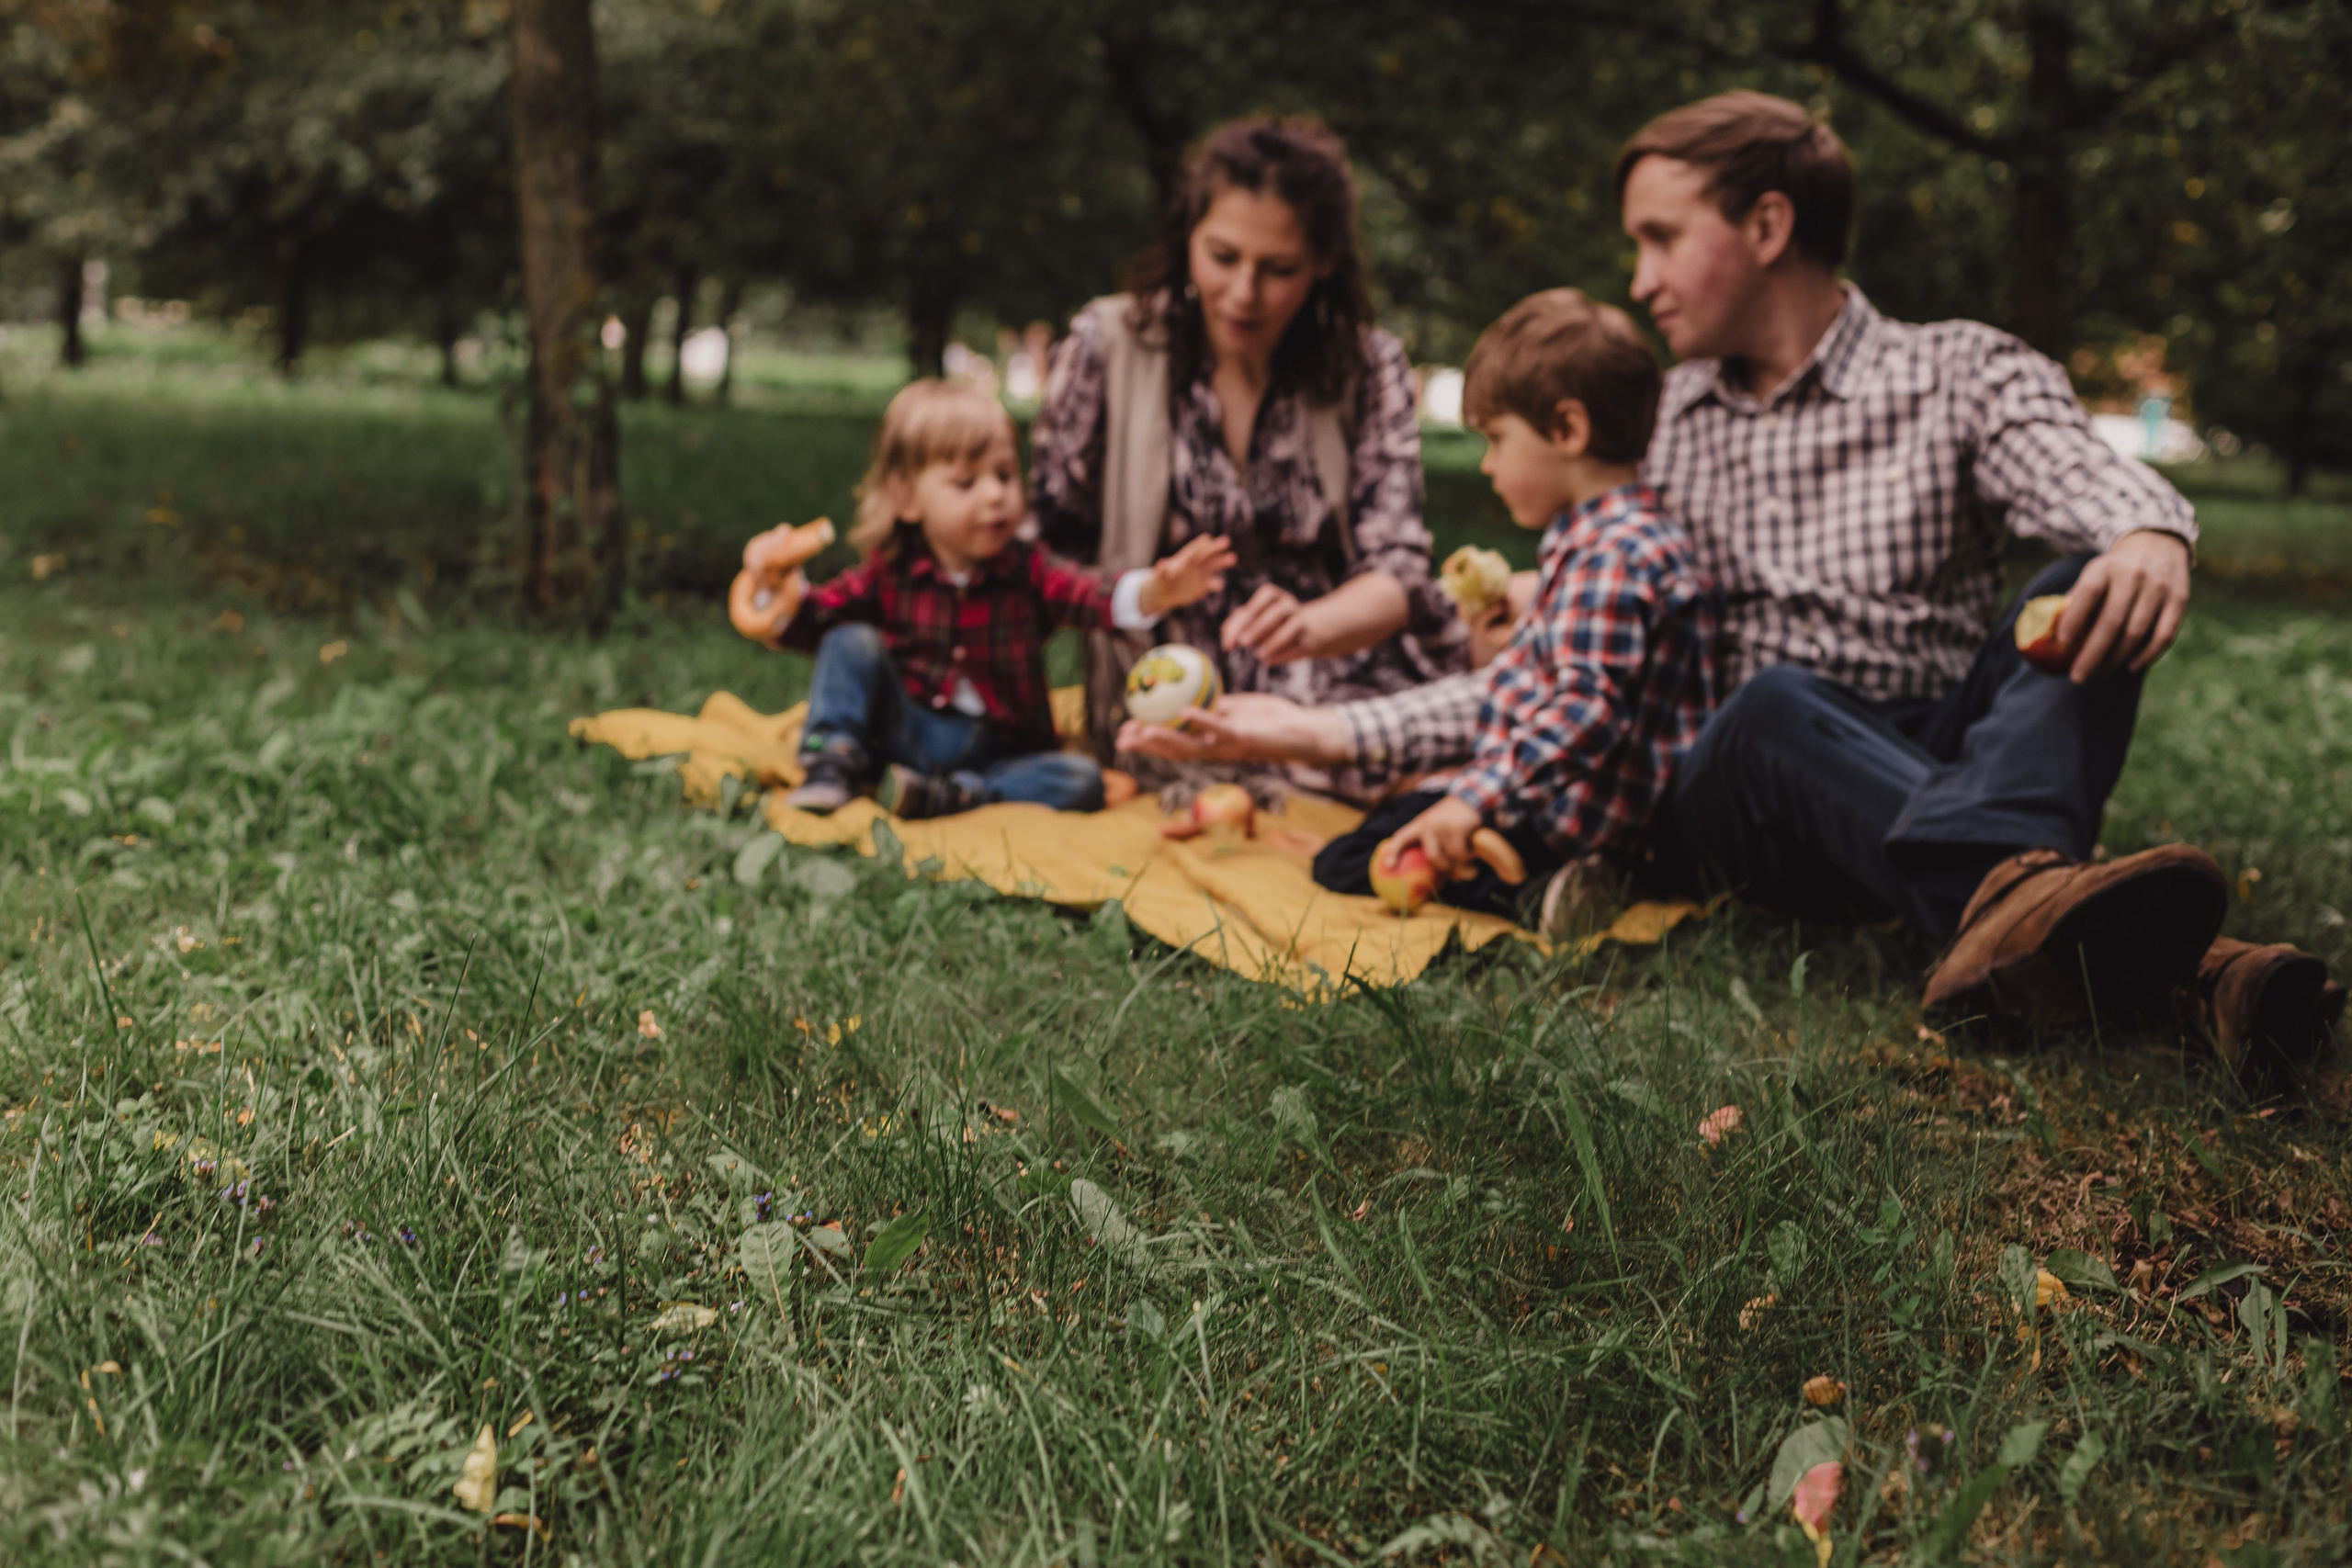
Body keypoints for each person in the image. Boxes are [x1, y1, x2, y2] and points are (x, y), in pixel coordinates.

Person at [1127, 92, 2342, 1073]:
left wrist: (2147, 535)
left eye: (1661, 237)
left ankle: (2116, 948)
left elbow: (2101, 488)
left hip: (1935, 751)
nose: (1641, 280)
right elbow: (1564, 677)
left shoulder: (1958, 374)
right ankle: (2043, 898)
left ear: (1766, 226)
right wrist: (1325, 728)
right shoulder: (1659, 434)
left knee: (2084, 580)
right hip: (1744, 789)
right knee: (1770, 701)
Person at [1028, 117, 1465, 801]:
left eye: (1279, 269)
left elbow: (1398, 572)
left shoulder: (1366, 364)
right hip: (1166, 670)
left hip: (1335, 661)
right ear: (1188, 237)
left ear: (1324, 262)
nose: (1243, 293)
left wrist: (1309, 626)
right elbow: (1046, 546)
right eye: (1223, 256)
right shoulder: (1108, 344)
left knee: (1433, 745)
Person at [1301, 289, 1716, 931]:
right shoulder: (1641, 537)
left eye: (1496, 438)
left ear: (1567, 430)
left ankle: (1533, 892)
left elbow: (1587, 709)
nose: (1488, 465)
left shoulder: (1607, 556)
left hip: (1563, 818)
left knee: (1352, 855)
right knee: (1409, 811)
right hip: (1610, 811)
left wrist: (1471, 800)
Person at [733, 378, 1234, 819]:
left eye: (1004, 475)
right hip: (912, 732)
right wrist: (773, 589)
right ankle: (832, 764)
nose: (995, 495)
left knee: (1080, 779)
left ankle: (956, 796)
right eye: (966, 483)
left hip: (1003, 749)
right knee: (849, 638)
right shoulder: (891, 574)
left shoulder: (1027, 568)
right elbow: (812, 622)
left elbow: (1089, 593)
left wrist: (1155, 590)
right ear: (908, 500)